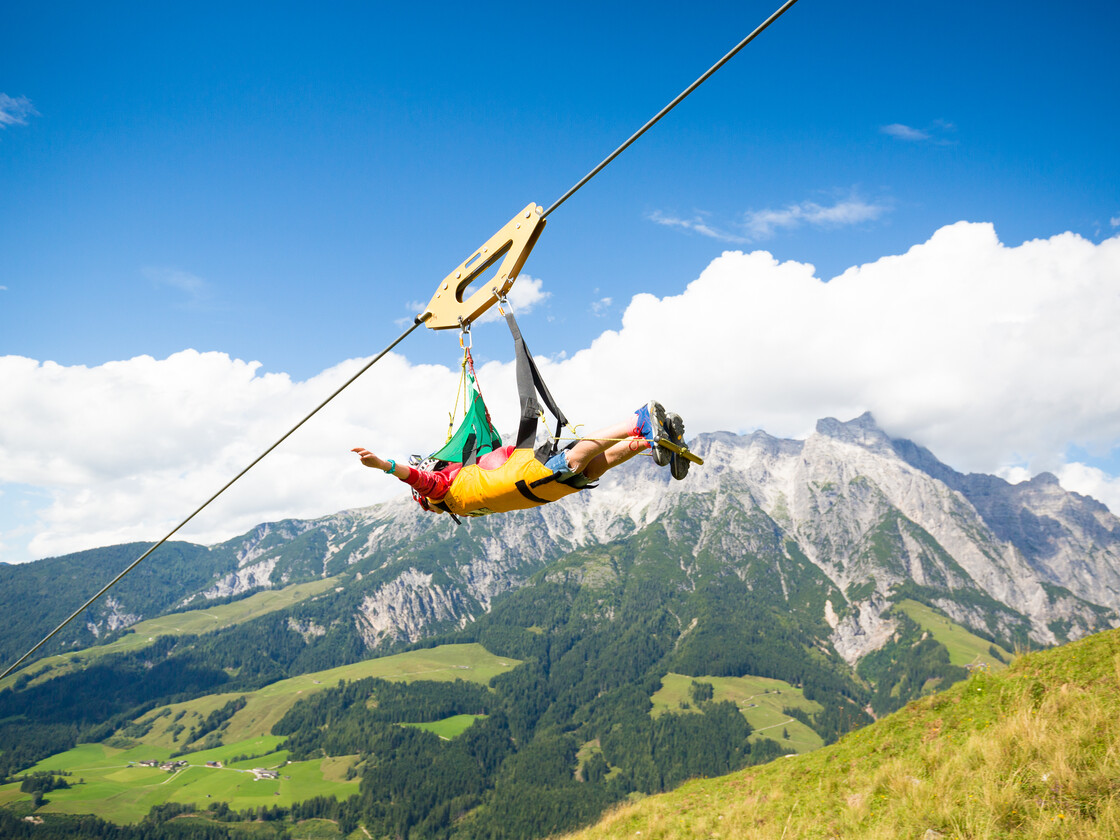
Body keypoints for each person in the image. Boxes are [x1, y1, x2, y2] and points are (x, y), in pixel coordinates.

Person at [353, 400, 690, 517]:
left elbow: (419, 479)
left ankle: (640, 426)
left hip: (528, 481)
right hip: (531, 485)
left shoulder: (445, 492)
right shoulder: (455, 493)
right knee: (585, 467)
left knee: (577, 462)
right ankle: (645, 436)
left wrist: (385, 466)